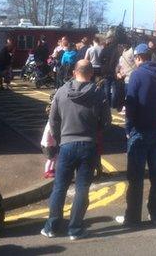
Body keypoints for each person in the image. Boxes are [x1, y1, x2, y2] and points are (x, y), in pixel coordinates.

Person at [41, 60, 111, 240]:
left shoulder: (61, 92)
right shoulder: (98, 93)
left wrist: (59, 139)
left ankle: (52, 227)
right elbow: (106, 122)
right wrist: (95, 131)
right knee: (82, 188)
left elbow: (53, 121)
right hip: (88, 145)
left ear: (74, 72)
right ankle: (75, 229)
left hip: (66, 145)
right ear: (90, 74)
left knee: (60, 187)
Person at [115, 43, 156, 226]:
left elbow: (131, 105)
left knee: (136, 177)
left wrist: (128, 129)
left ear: (138, 58)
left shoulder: (137, 75)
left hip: (139, 131)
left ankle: (132, 217)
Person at [100, 34, 122, 108]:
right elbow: (119, 61)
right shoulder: (117, 50)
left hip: (106, 71)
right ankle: (113, 105)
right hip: (114, 71)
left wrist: (104, 64)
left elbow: (100, 59)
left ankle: (107, 104)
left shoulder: (105, 49)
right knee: (114, 88)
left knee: (107, 88)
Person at [41, 104, 57, 178]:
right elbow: (52, 133)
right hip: (48, 145)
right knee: (50, 159)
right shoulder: (51, 123)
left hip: (51, 144)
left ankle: (51, 170)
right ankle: (46, 172)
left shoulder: (51, 121)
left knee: (54, 158)